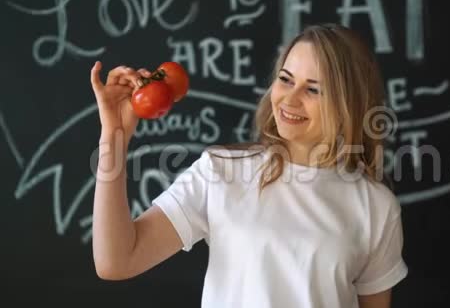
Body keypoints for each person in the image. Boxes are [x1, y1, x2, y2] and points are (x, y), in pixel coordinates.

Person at [90, 23, 408, 308]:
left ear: (348, 103)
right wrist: (114, 138)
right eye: (286, 79)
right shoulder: (220, 172)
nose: (290, 99)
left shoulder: (376, 206)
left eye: (313, 89)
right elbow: (116, 261)